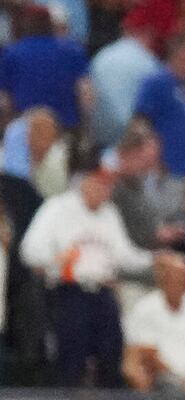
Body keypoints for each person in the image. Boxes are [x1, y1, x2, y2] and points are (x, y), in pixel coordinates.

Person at [22, 151, 149, 385]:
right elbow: (30, 250)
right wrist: (54, 260)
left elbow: (124, 254)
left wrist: (154, 259)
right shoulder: (57, 208)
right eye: (102, 183)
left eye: (110, 185)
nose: (106, 190)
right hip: (70, 292)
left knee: (112, 355)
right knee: (71, 359)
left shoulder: (109, 214)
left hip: (102, 292)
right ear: (86, 180)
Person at [121, 247, 185, 392]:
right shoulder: (146, 308)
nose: (180, 282)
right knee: (171, 386)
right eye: (175, 277)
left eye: (183, 277)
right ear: (163, 280)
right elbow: (148, 354)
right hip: (164, 376)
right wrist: (181, 380)